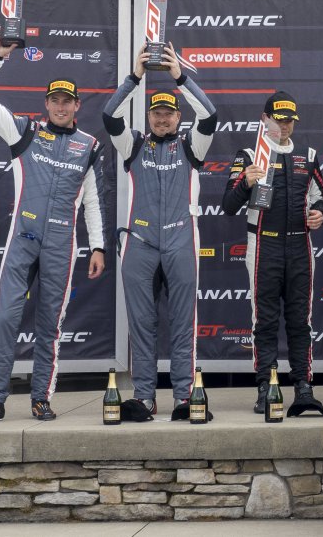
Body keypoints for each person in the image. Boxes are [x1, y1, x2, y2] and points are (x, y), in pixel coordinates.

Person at [0, 32, 106, 424]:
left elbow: (93, 201)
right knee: (6, 320)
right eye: (55, 100)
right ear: (46, 103)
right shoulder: (24, 131)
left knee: (49, 326)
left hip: (62, 245)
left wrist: (98, 246)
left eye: (67, 101)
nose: (61, 107)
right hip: (22, 241)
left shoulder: (90, 146)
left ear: (77, 105)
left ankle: (41, 398)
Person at [102, 43, 217, 417]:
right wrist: (135, 77)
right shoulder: (134, 144)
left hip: (181, 240)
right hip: (140, 243)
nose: (163, 119)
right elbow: (109, 115)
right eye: (157, 113)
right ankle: (145, 397)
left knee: (183, 323)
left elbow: (210, 114)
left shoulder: (191, 145)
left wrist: (179, 78)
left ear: (178, 116)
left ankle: (184, 397)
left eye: (168, 113)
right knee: (142, 324)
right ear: (149, 116)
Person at [222, 91, 323, 414]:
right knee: (265, 320)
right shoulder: (249, 155)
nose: (284, 126)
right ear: (264, 119)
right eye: (278, 119)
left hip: (299, 246)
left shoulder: (308, 155)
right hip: (263, 245)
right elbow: (228, 205)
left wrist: (319, 214)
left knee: (300, 321)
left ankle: (304, 386)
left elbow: (322, 198)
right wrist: (245, 183)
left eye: (289, 120)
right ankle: (266, 387)